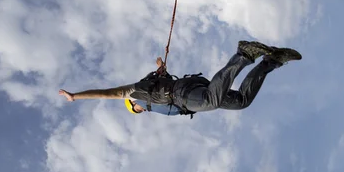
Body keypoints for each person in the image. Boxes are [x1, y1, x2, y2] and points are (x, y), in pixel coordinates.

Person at [59, 41, 302, 117]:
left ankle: (244, 54)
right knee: (240, 102)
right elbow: (161, 74)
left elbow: (105, 93)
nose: (140, 111)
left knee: (211, 101)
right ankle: (272, 61)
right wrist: (159, 67)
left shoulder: (134, 93)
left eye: (136, 110)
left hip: (187, 95)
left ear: (133, 104)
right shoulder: (152, 86)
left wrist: (75, 96)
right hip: (190, 89)